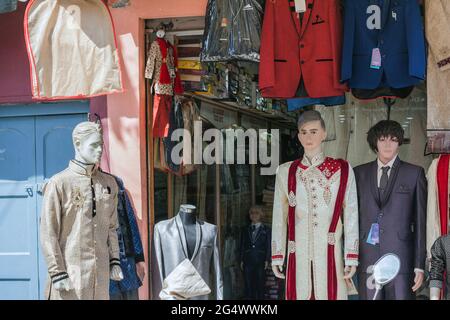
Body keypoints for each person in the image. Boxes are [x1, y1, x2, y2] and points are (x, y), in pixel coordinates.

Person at [272, 110, 359, 300]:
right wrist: (278, 254)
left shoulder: (342, 169)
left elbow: (351, 213)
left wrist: (351, 255)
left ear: (324, 133)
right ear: (298, 135)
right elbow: (280, 216)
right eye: (303, 132)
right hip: (298, 251)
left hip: (330, 252)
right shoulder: (285, 171)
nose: (308, 137)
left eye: (313, 131)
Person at [40, 122, 123, 300]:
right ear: (77, 144)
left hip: (100, 279)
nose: (100, 150)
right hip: (70, 277)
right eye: (94, 145)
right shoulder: (59, 183)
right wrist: (57, 273)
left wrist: (114, 260)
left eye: (101, 144)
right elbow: (48, 232)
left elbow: (112, 227)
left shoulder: (109, 184)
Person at [354, 120, 426, 300]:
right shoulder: (358, 174)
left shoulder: (414, 173)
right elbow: (351, 218)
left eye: (393, 140)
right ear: (374, 142)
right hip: (368, 255)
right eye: (383, 139)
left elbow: (420, 222)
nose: (388, 144)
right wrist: (350, 258)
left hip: (402, 257)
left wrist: (419, 264)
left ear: (399, 143)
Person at [240, 205, 271, 300]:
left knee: (260, 284)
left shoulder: (266, 230)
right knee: (248, 284)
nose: (254, 215)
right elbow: (242, 245)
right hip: (248, 260)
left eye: (256, 213)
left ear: (261, 215)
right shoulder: (245, 229)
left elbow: (268, 245)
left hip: (260, 260)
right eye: (251, 213)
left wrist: (267, 259)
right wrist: (241, 259)